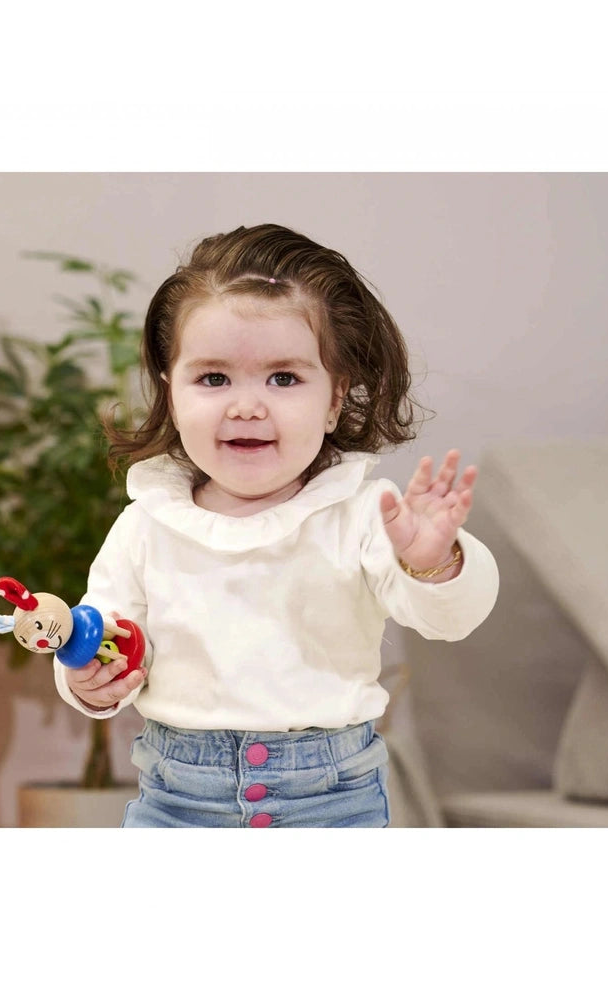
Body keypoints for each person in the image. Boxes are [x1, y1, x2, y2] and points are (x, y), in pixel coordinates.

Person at [52, 223, 499, 827]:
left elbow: (450, 618)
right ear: (171, 391)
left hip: (330, 800)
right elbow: (106, 635)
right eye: (214, 378)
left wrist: (431, 562)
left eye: (283, 378)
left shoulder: (366, 515)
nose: (246, 405)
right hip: (178, 803)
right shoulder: (148, 524)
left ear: (336, 397)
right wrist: (89, 676)